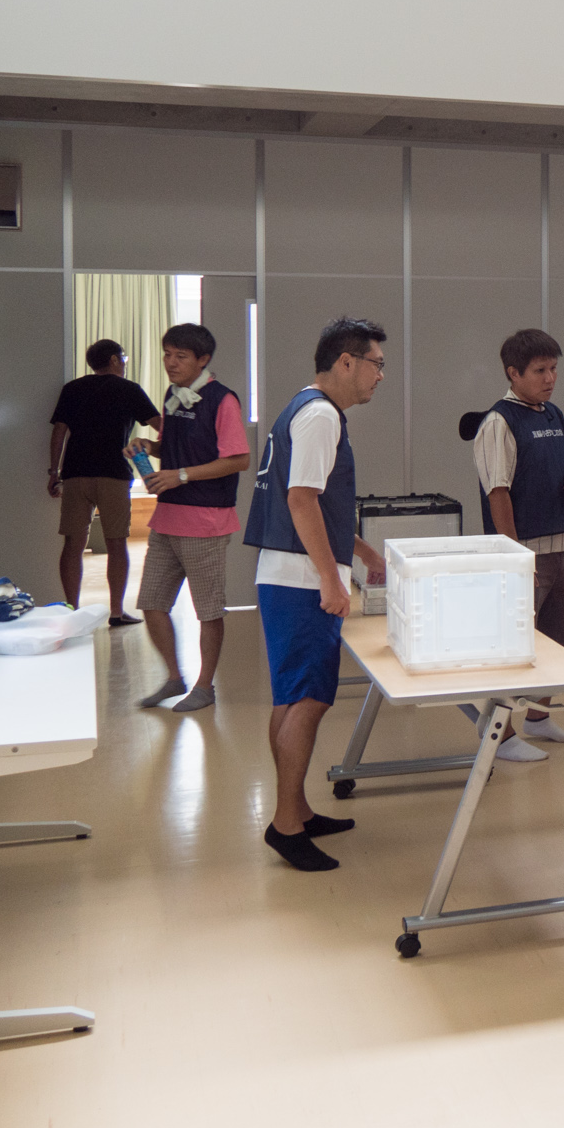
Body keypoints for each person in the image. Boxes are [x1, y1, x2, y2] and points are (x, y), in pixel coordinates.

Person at [244, 317, 388, 872]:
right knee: (308, 699)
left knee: (291, 699)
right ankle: (285, 824)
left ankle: (297, 809)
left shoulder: (303, 408)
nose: (380, 376)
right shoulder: (322, 415)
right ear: (346, 362)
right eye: (376, 364)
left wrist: (362, 551)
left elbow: (315, 503)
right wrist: (332, 579)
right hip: (301, 580)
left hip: (286, 573)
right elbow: (301, 500)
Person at [468, 327, 564, 763]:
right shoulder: (499, 422)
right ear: (513, 373)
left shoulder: (553, 415)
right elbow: (497, 493)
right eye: (539, 371)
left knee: (556, 639)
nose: (550, 378)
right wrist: (516, 558)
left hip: (561, 546)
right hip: (524, 554)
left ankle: (537, 717)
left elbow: (563, 463)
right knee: (513, 646)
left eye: (554, 369)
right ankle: (499, 734)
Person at [129, 324, 250, 713]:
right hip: (167, 518)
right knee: (151, 603)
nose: (171, 363)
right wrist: (149, 446)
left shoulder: (222, 400)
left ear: (203, 360)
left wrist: (179, 475)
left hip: (206, 520)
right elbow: (173, 446)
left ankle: (204, 685)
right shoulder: (171, 396)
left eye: (180, 356)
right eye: (167, 354)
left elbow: (238, 459)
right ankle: (173, 677)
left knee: (208, 610)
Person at [48, 338, 162, 624]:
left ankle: (71, 609)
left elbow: (59, 431)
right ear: (113, 359)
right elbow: (160, 424)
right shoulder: (129, 389)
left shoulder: (72, 389)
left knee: (73, 543)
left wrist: (54, 472)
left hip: (75, 473)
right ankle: (116, 611)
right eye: (123, 357)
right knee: (116, 543)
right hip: (113, 473)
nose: (124, 362)